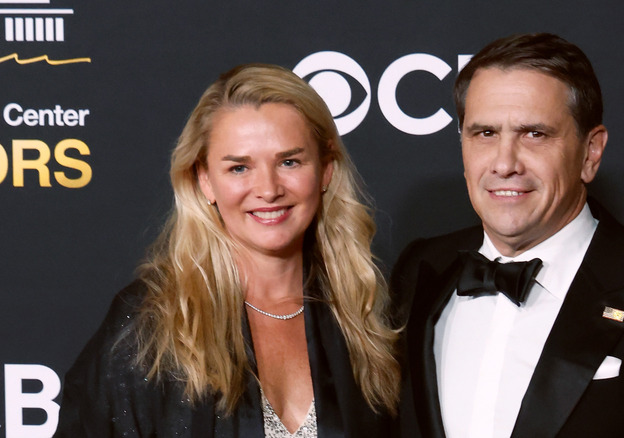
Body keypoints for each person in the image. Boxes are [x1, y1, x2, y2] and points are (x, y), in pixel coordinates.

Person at [391, 33, 624, 438]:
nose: (505, 163)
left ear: (590, 152)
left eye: (535, 134)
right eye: (485, 134)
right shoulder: (421, 271)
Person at [55, 64, 400, 437]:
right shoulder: (151, 324)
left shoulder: (362, 317)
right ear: (204, 180)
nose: (268, 189)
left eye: (289, 162)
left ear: (326, 170)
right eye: (239, 168)